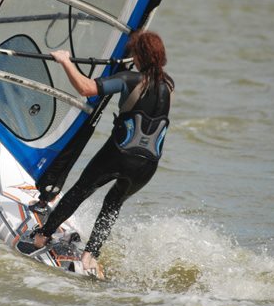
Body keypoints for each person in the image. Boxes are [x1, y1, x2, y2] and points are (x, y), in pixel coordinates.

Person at [22, 30, 174, 278]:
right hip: (148, 166)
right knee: (113, 204)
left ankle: (41, 236)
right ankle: (90, 257)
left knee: (81, 190)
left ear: (139, 55)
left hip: (119, 154)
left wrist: (65, 61)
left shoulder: (129, 80)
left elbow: (86, 88)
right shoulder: (169, 84)